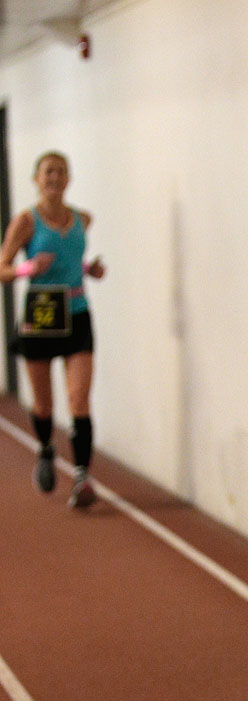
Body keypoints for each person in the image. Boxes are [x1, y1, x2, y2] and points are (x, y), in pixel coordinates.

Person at [0, 151, 106, 508]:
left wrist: (89, 270)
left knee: (79, 399)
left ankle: (82, 476)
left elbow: (72, 262)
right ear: (37, 179)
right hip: (42, 315)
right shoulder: (25, 222)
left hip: (77, 314)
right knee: (44, 404)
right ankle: (46, 449)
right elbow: (2, 267)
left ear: (69, 178)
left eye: (61, 171)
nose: (55, 178)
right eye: (48, 172)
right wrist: (27, 269)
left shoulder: (82, 219)